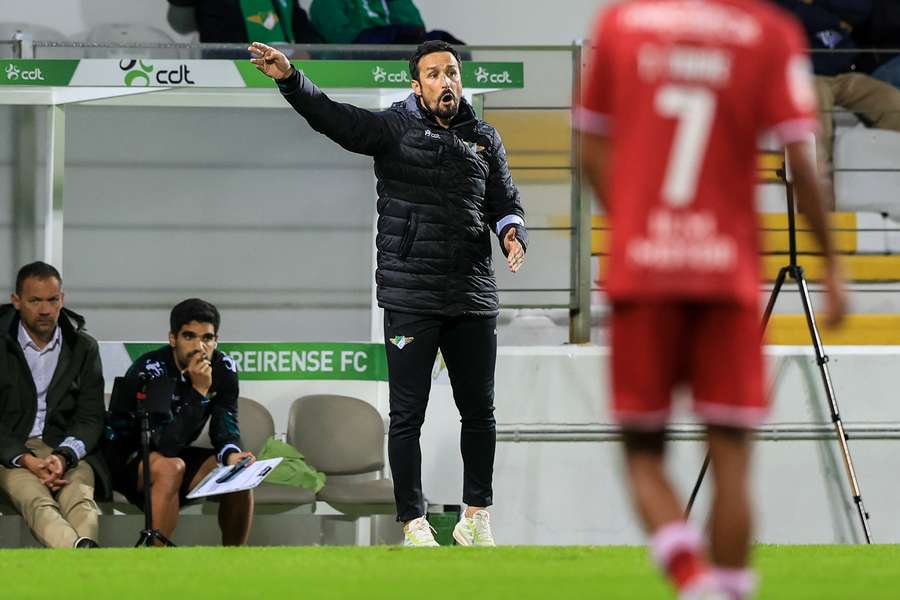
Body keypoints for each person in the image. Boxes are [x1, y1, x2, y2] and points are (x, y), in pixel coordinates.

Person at [578, 1, 846, 598]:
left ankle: (692, 581)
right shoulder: (768, 32)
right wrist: (832, 265)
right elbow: (802, 156)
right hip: (725, 275)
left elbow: (589, 144)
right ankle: (727, 588)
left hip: (644, 274)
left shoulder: (622, 25)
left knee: (643, 453)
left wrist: (638, 227)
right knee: (731, 458)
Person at [249, 39, 528, 547]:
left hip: (472, 296)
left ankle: (476, 517)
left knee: (480, 412)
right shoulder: (393, 127)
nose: (447, 82)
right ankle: (413, 522)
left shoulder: (485, 137)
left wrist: (512, 233)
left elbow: (505, 200)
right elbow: (335, 119)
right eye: (435, 74)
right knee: (407, 415)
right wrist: (291, 79)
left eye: (452, 73)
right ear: (416, 84)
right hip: (410, 298)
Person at [102, 298, 255, 546]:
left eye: (207, 338)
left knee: (239, 475)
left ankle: (234, 560)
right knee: (170, 467)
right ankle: (154, 560)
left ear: (216, 340)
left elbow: (225, 422)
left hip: (175, 453)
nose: (199, 347)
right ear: (173, 339)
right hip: (127, 455)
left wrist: (231, 455)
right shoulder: (151, 369)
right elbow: (163, 444)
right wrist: (198, 392)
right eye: (189, 336)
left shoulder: (224, 367)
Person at [0, 262, 107, 548]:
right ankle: (84, 563)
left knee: (81, 498)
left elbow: (91, 417)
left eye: (52, 300)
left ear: (62, 299)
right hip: (12, 451)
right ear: (16, 301)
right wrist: (25, 459)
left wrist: (63, 456)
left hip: (64, 447)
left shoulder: (84, 348)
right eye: (35, 300)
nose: (45, 310)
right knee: (36, 499)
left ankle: (81, 565)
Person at [167, 0, 322, 45]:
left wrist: (307, 49)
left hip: (290, 78)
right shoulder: (216, 5)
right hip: (241, 79)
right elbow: (219, 46)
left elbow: (301, 25)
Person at [309, 0, 462, 45]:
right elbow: (342, 39)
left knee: (446, 41)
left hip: (399, 64)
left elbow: (416, 28)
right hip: (361, 71)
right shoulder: (325, 3)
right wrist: (394, 34)